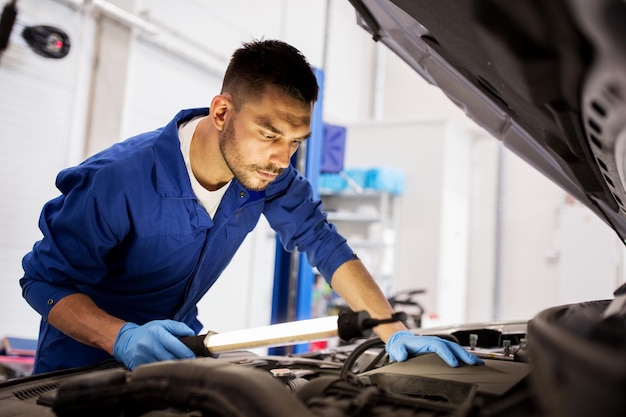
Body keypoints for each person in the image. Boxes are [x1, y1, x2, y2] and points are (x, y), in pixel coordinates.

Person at [20, 39, 483, 374]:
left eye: (295, 142)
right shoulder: (117, 180)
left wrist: (391, 328)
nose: (283, 159)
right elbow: (44, 282)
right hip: (77, 367)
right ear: (222, 113)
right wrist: (119, 337)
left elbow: (324, 243)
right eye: (269, 135)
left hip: (179, 352)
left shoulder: (268, 178)